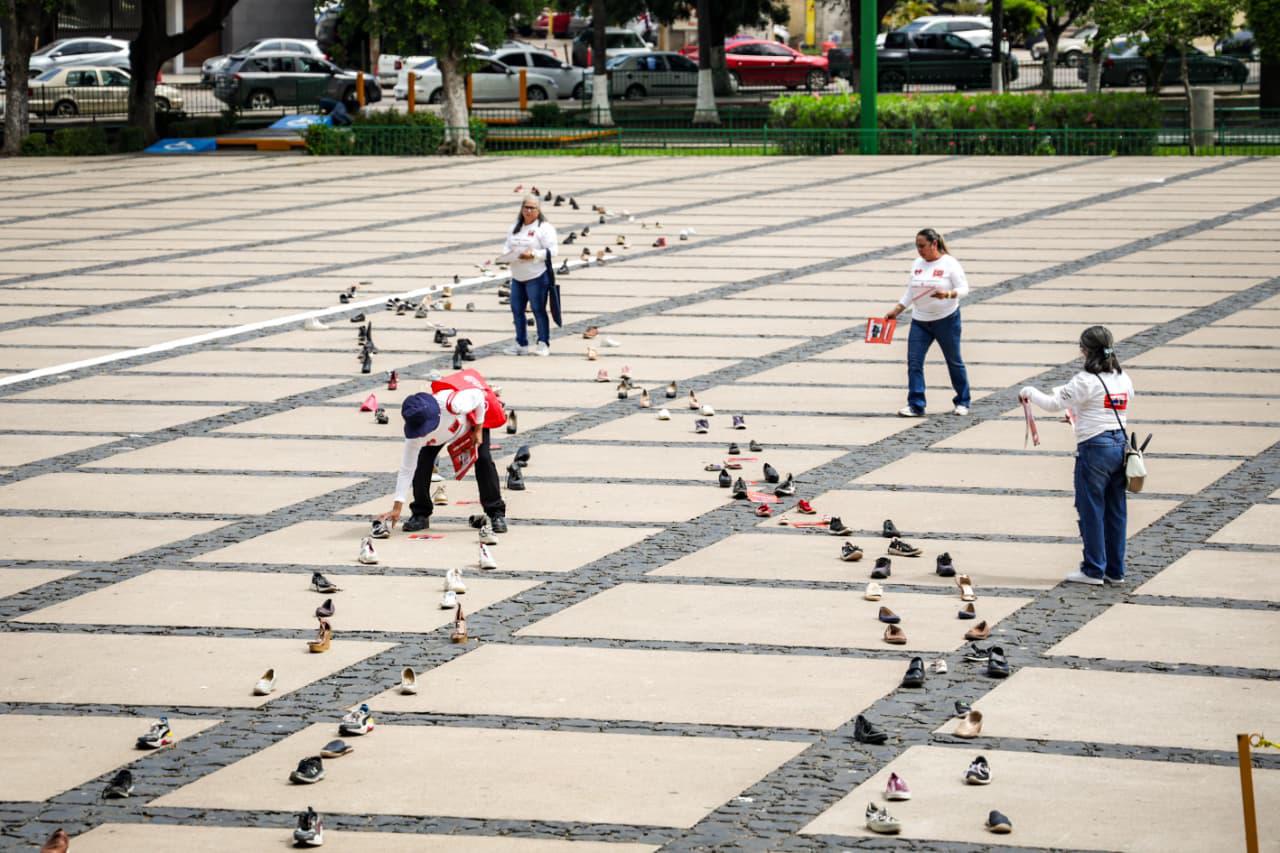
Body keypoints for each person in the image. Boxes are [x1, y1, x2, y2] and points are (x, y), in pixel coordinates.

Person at [1020, 326, 1135, 586]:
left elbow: (1052, 404)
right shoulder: (1123, 377)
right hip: (1120, 445)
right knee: (1116, 510)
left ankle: (1093, 568)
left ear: (1084, 350)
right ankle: (1115, 570)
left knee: (1091, 509)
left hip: (1094, 448)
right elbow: (1110, 406)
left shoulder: (1085, 379)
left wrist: (1029, 392)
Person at [376, 382, 507, 534]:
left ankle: (496, 512)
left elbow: (478, 396)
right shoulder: (415, 436)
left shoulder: (452, 403)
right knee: (421, 463)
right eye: (419, 431)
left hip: (471, 423)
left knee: (483, 459)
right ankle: (420, 513)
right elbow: (406, 470)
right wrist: (397, 508)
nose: (422, 434)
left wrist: (478, 429)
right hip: (441, 436)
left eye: (424, 429)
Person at [883, 228, 971, 417]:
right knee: (914, 362)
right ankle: (916, 404)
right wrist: (897, 309)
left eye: (922, 246)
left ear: (934, 244)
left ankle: (963, 401)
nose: (919, 250)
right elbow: (911, 292)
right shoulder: (917, 263)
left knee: (954, 361)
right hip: (920, 320)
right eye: (917, 246)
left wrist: (948, 294)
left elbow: (964, 288)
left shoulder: (949, 263)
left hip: (946, 319)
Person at [502, 194, 558, 357]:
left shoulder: (544, 228)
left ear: (538, 210)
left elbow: (553, 251)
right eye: (525, 207)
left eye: (532, 207)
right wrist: (505, 257)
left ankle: (543, 343)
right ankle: (521, 343)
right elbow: (507, 246)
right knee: (517, 309)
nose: (528, 210)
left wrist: (533, 254)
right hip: (518, 277)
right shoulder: (514, 227)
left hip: (537, 276)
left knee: (538, 309)